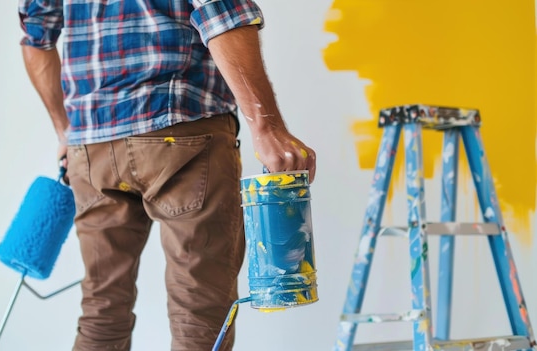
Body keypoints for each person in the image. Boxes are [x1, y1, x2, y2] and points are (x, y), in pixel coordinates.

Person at [18, 0, 316, 350]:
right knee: (199, 312)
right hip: (180, 130)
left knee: (102, 311)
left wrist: (64, 131)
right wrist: (267, 128)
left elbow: (36, 35)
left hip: (92, 147)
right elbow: (222, 11)